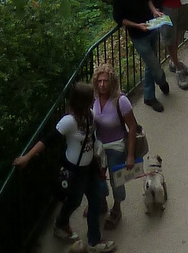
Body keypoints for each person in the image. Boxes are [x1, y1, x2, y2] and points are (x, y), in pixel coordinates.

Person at [13, 81, 115, 251]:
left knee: (95, 199)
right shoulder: (69, 121)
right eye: (90, 98)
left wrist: (98, 163)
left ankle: (93, 241)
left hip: (89, 167)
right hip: (75, 171)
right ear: (82, 100)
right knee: (74, 201)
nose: (93, 100)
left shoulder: (89, 115)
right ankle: (61, 225)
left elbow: (91, 139)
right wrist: (27, 158)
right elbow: (47, 140)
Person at [112, 0, 170, 110]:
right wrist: (138, 26)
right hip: (138, 35)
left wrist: (154, 11)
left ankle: (149, 97)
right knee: (154, 64)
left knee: (150, 65)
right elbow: (120, 19)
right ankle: (162, 81)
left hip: (150, 27)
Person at [91, 63, 137, 231]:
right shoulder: (94, 98)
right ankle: (102, 203)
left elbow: (132, 127)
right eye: (99, 81)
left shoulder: (121, 101)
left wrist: (130, 155)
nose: (102, 85)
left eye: (106, 81)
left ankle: (117, 209)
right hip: (99, 146)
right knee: (98, 177)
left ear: (112, 82)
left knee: (117, 180)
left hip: (116, 146)